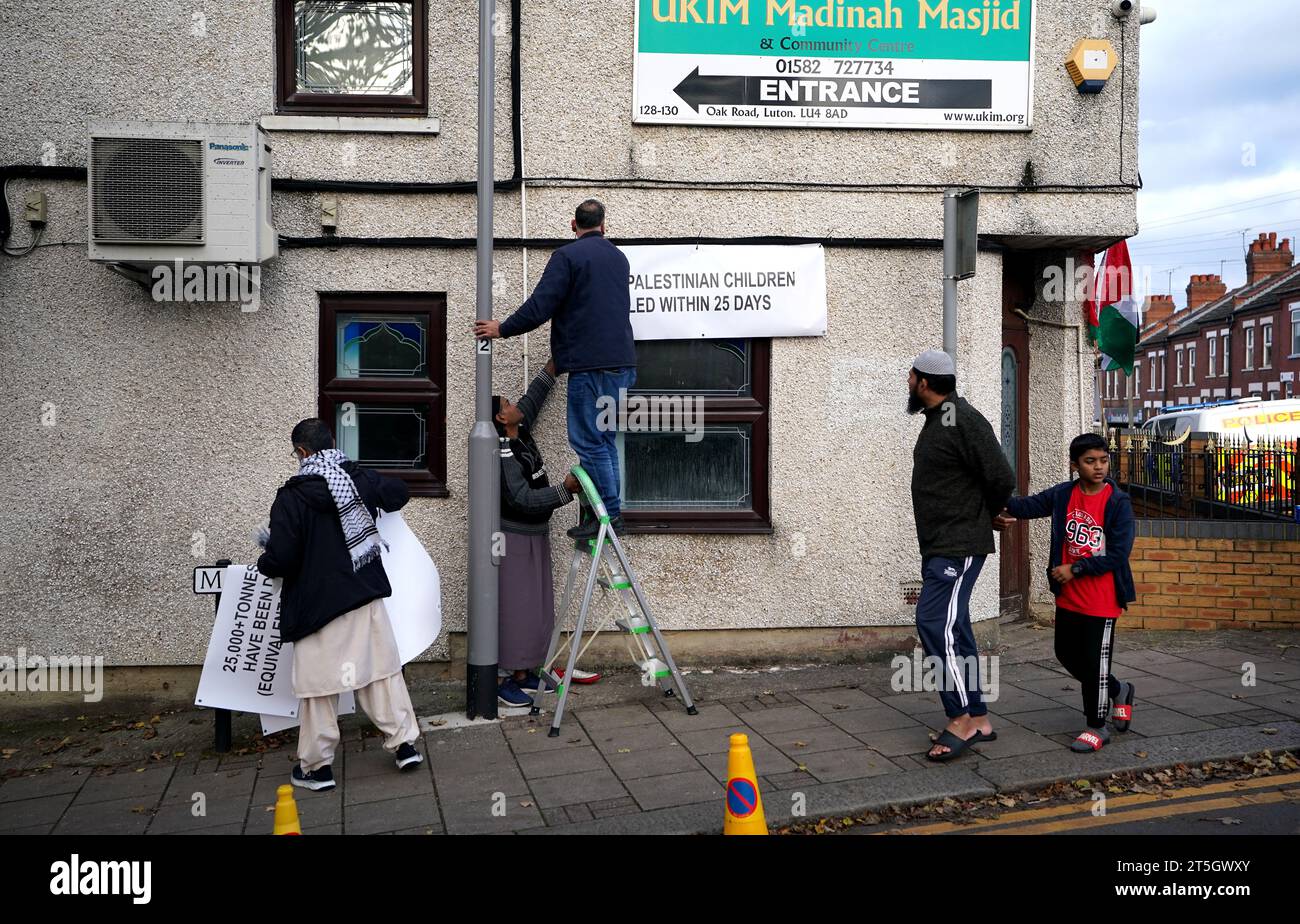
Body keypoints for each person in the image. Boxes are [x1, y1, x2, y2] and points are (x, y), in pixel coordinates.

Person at [256, 418, 422, 792]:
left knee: (319, 689)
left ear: (301, 452)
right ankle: (405, 746)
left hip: (318, 607)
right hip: (363, 596)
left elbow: (282, 558)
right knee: (380, 674)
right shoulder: (356, 480)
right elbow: (397, 493)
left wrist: (263, 561)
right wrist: (363, 476)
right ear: (332, 442)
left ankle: (317, 768)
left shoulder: (292, 497)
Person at [474, 198, 636, 539]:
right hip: (621, 366)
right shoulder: (619, 259)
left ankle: (608, 518)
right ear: (604, 226)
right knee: (604, 442)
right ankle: (609, 513)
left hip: (590, 368)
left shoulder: (568, 257)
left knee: (589, 443)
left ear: (573, 225)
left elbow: (540, 306)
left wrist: (501, 328)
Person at [994, 433, 1137, 752]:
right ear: (1075, 465)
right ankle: (1119, 689)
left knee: (1095, 663)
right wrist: (992, 492)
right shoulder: (1063, 495)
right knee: (1067, 655)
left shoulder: (1117, 502)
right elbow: (1025, 506)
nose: (1098, 467)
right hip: (1069, 596)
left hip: (1102, 599)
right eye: (1090, 461)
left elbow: (1117, 554)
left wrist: (1076, 569)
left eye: (1103, 460)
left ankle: (1097, 727)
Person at [908, 349, 1016, 761]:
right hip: (943, 544)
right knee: (956, 629)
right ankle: (980, 717)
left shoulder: (962, 418)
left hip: (958, 546)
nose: (908, 383)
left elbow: (1000, 475)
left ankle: (961, 719)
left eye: (911, 376)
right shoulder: (939, 419)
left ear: (924, 381)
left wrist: (986, 514)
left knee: (933, 622)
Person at [491, 358, 587, 707]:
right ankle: (502, 680)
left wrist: (552, 367)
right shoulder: (501, 449)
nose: (515, 405)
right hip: (514, 538)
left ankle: (523, 673)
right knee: (515, 608)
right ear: (502, 419)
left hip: (535, 535)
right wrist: (565, 490)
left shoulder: (521, 429)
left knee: (534, 607)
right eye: (507, 406)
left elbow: (532, 400)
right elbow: (520, 497)